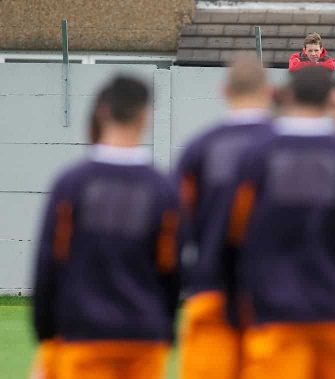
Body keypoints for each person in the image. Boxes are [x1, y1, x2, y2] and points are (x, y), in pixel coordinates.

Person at [222, 66, 335, 379]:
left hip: (276, 313)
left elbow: (232, 240)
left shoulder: (257, 156)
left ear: (286, 97)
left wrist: (235, 310)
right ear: (329, 103)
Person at [31, 76, 182, 379]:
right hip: (142, 336)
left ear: (101, 112)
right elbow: (171, 268)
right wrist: (165, 325)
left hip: (83, 334)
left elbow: (50, 262)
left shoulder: (71, 184)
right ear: (145, 117)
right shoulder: (163, 189)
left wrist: (46, 332)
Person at [176, 54, 274, 379]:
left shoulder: (200, 148)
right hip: (276, 295)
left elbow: (176, 225)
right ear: (269, 92)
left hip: (212, 288)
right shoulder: (286, 147)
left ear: (224, 92)